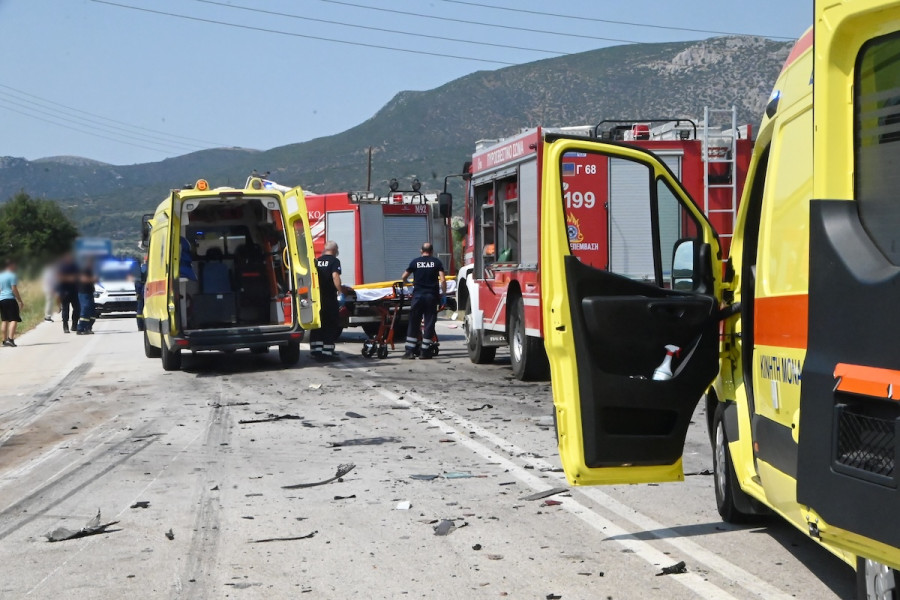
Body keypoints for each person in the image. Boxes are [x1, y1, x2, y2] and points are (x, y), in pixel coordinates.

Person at [400, 243, 446, 360]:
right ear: (432, 251)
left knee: (414, 322)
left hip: (418, 296)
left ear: (421, 250)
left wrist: (407, 283)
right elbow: (443, 280)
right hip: (431, 296)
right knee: (429, 322)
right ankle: (425, 351)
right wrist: (444, 295)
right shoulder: (437, 262)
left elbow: (403, 276)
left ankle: (409, 351)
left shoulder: (415, 262)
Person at [310, 240, 343, 361]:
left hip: (318, 298)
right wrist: (340, 290)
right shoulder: (334, 261)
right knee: (330, 324)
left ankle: (316, 350)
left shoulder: (317, 261)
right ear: (335, 250)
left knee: (319, 324)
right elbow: (335, 276)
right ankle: (327, 352)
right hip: (329, 298)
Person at [0, 259, 24, 347]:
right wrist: (20, 300)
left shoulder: (0, 275)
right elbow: (14, 289)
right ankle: (10, 339)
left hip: (2, 299)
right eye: (14, 265)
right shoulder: (12, 275)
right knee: (14, 319)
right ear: (10, 266)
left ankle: (4, 340)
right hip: (10, 299)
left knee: (4, 320)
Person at [57, 253, 80, 334]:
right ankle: (65, 326)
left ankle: (74, 325)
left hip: (74, 290)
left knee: (77, 309)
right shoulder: (62, 267)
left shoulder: (75, 266)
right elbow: (59, 278)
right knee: (65, 310)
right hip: (64, 291)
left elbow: (78, 276)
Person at [76, 260, 98, 335]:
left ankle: (88, 328)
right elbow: (83, 279)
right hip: (83, 292)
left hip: (90, 292)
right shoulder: (82, 269)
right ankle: (80, 328)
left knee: (92, 312)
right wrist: (93, 279)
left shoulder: (91, 270)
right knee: (85, 309)